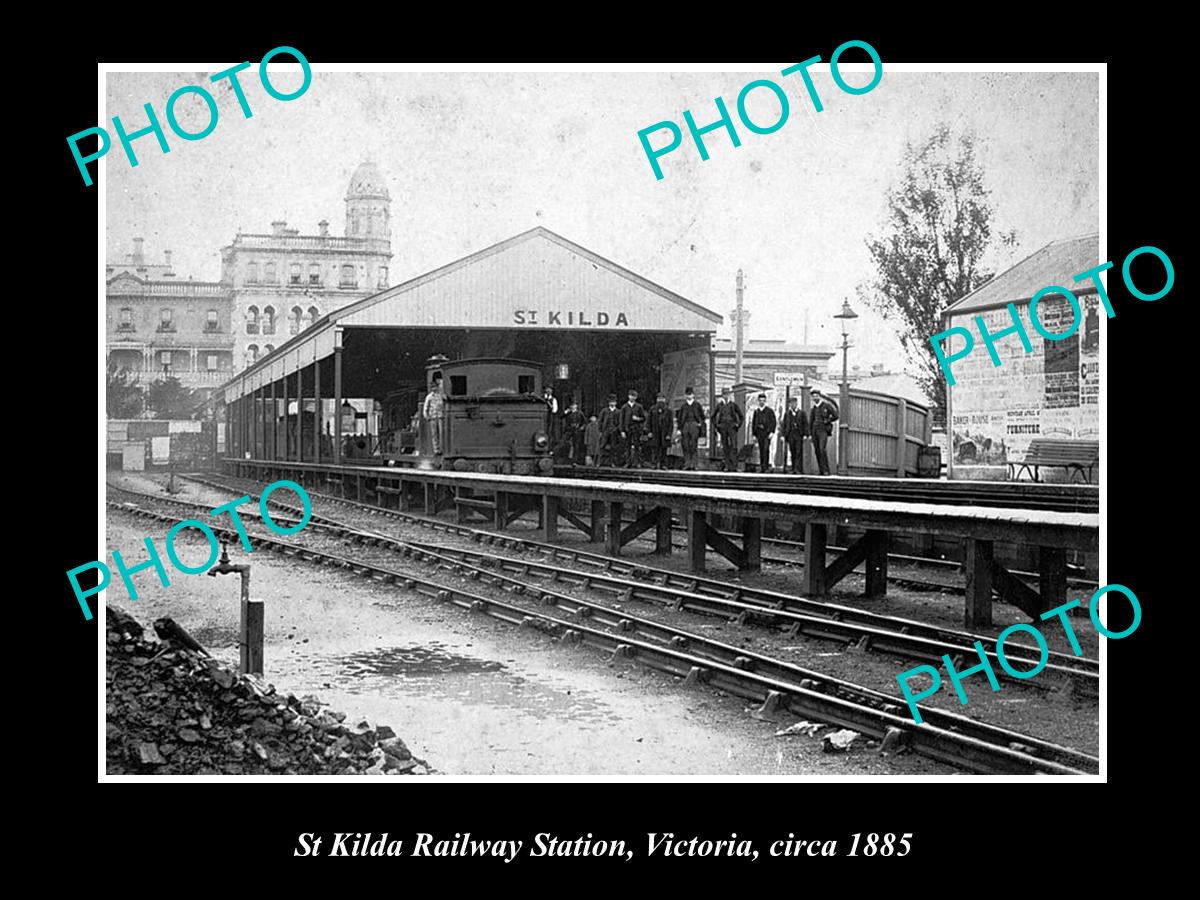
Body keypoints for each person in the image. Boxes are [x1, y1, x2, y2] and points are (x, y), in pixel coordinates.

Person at [712, 387, 744, 472]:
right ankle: (727, 466)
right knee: (725, 446)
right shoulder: (719, 405)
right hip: (723, 427)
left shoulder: (733, 405)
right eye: (724, 394)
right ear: (722, 395)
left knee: (733, 446)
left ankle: (734, 466)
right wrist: (717, 426)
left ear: (729, 395)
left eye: (727, 394)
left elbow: (741, 416)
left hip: (732, 427)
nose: (726, 396)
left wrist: (737, 425)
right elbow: (713, 417)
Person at [675, 386, 706, 471]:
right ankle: (687, 464)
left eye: (690, 394)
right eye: (687, 394)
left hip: (694, 425)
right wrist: (679, 429)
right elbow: (680, 418)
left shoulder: (697, 405)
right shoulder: (683, 406)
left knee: (694, 445)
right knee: (685, 445)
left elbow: (702, 417)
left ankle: (694, 464)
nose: (689, 396)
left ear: (693, 395)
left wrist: (700, 424)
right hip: (685, 426)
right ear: (685, 395)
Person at [810, 388, 840, 475]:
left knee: (822, 449)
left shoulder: (826, 406)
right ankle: (821, 470)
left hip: (823, 430)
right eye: (814, 396)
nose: (815, 398)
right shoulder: (813, 409)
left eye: (817, 396)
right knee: (817, 451)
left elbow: (836, 415)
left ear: (820, 397)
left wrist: (827, 420)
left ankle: (826, 470)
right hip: (815, 431)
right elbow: (811, 421)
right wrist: (810, 433)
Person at [620, 389, 647, 468]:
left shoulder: (639, 407)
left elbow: (643, 418)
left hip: (636, 429)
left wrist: (638, 419)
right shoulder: (624, 407)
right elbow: (621, 420)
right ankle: (628, 462)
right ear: (628, 396)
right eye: (631, 396)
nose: (632, 398)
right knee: (627, 446)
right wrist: (622, 431)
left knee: (637, 446)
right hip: (627, 429)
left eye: (634, 396)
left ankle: (637, 462)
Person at [781, 395, 808, 474]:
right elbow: (784, 424)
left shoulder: (802, 413)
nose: (792, 405)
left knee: (799, 451)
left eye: (794, 403)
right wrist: (783, 435)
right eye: (791, 403)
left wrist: (806, 434)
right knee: (792, 451)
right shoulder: (787, 414)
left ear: (797, 403)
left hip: (798, 434)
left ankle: (798, 469)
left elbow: (805, 424)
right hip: (790, 434)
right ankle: (793, 468)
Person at [750, 393, 777, 472]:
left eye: (763, 400)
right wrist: (754, 434)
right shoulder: (756, 411)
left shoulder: (769, 411)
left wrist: (772, 432)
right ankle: (762, 466)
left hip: (766, 433)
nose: (762, 402)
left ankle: (766, 467)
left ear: (765, 401)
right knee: (761, 450)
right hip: (759, 433)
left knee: (766, 449)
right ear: (758, 401)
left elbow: (773, 422)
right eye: (760, 400)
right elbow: (754, 423)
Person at [647, 391, 674, 469]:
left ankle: (663, 465)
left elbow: (671, 424)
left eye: (662, 398)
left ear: (664, 400)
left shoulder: (668, 410)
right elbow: (648, 421)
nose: (660, 400)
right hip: (655, 432)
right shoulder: (652, 409)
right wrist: (649, 431)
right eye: (659, 398)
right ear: (656, 400)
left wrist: (669, 434)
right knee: (655, 449)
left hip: (664, 433)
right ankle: (654, 464)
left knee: (664, 449)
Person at [422, 372, 445, 457]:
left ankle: (442, 449)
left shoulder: (441, 396)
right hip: (433, 417)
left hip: (440, 416)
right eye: (432, 387)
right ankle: (436, 450)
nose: (434, 389)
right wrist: (426, 416)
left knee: (442, 433)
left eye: (435, 387)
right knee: (434, 434)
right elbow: (425, 408)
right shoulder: (429, 397)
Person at [598, 394, 622, 467]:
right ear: (608, 403)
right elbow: (600, 420)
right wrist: (601, 429)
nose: (612, 403)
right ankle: (600, 462)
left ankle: (612, 462)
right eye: (611, 402)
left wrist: (617, 429)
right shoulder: (604, 411)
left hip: (614, 431)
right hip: (605, 430)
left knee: (613, 447)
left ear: (616, 403)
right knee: (602, 446)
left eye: (613, 402)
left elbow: (620, 422)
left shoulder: (618, 412)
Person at [562, 399, 587, 465]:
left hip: (577, 430)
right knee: (565, 442)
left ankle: (574, 461)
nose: (572, 406)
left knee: (576, 445)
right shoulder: (568, 413)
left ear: (576, 406)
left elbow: (584, 422)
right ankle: (566, 459)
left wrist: (581, 428)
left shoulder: (580, 413)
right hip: (569, 429)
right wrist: (565, 412)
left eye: (574, 405)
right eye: (571, 405)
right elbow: (561, 417)